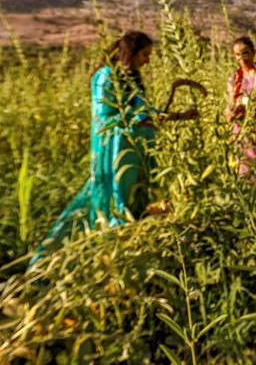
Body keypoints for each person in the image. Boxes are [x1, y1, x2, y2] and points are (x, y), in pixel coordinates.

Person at [30, 31, 206, 267]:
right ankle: (75, 256)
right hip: (115, 151)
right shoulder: (105, 77)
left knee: (136, 198)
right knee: (113, 198)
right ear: (131, 53)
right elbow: (107, 115)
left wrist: (178, 116)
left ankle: (130, 252)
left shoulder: (131, 78)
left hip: (134, 150)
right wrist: (144, 119)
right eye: (144, 54)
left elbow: (145, 112)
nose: (147, 60)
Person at [224, 36, 256, 179]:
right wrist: (229, 114)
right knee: (244, 167)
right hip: (241, 131)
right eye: (237, 54)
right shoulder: (235, 78)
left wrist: (249, 106)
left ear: (253, 52)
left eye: (245, 53)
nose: (242, 58)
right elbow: (230, 103)